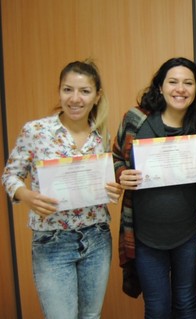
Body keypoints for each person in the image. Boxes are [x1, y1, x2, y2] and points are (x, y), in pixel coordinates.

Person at [2, 60, 122, 318]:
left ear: (97, 96)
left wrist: (113, 190)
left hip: (97, 237)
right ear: (59, 91)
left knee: (91, 317)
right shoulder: (36, 131)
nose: (75, 99)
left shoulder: (102, 135)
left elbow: (104, 184)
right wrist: (26, 195)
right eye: (68, 90)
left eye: (85, 91)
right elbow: (10, 175)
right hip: (52, 241)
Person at [113, 57, 196, 318]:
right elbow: (114, 158)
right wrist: (121, 174)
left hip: (188, 234)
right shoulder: (136, 119)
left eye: (188, 83)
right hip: (146, 236)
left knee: (186, 302)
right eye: (173, 82)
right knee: (157, 307)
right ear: (160, 87)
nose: (180, 89)